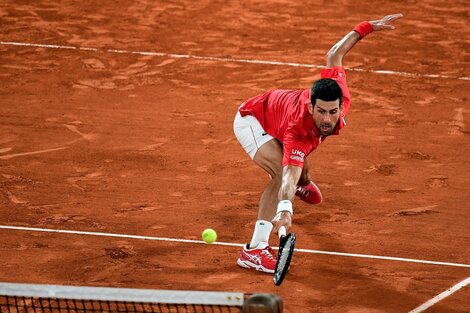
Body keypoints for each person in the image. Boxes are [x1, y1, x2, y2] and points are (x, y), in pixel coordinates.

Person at [233, 14, 403, 273]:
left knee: (301, 173)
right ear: (311, 106)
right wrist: (286, 208)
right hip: (254, 120)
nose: (328, 119)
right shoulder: (297, 129)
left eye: (333, 112)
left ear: (340, 105)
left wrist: (366, 27)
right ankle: (254, 250)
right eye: (321, 112)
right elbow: (289, 172)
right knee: (282, 174)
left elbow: (335, 54)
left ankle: (303, 184)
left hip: (275, 117)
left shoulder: (339, 94)